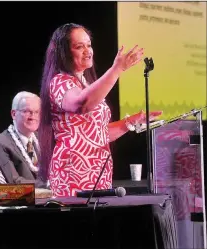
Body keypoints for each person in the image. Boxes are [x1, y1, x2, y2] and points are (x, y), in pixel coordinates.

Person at [38, 23, 162, 197]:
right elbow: (81, 104)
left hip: (98, 171)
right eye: (79, 47)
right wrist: (117, 69)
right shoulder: (59, 82)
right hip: (73, 171)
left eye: (89, 45)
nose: (88, 51)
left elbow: (97, 134)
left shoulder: (85, 84)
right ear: (63, 52)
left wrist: (131, 122)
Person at [0, 91, 47, 188]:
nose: (33, 116)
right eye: (27, 111)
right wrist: (47, 185)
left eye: (37, 112)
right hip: (24, 200)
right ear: (14, 114)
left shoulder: (42, 138)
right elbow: (13, 180)